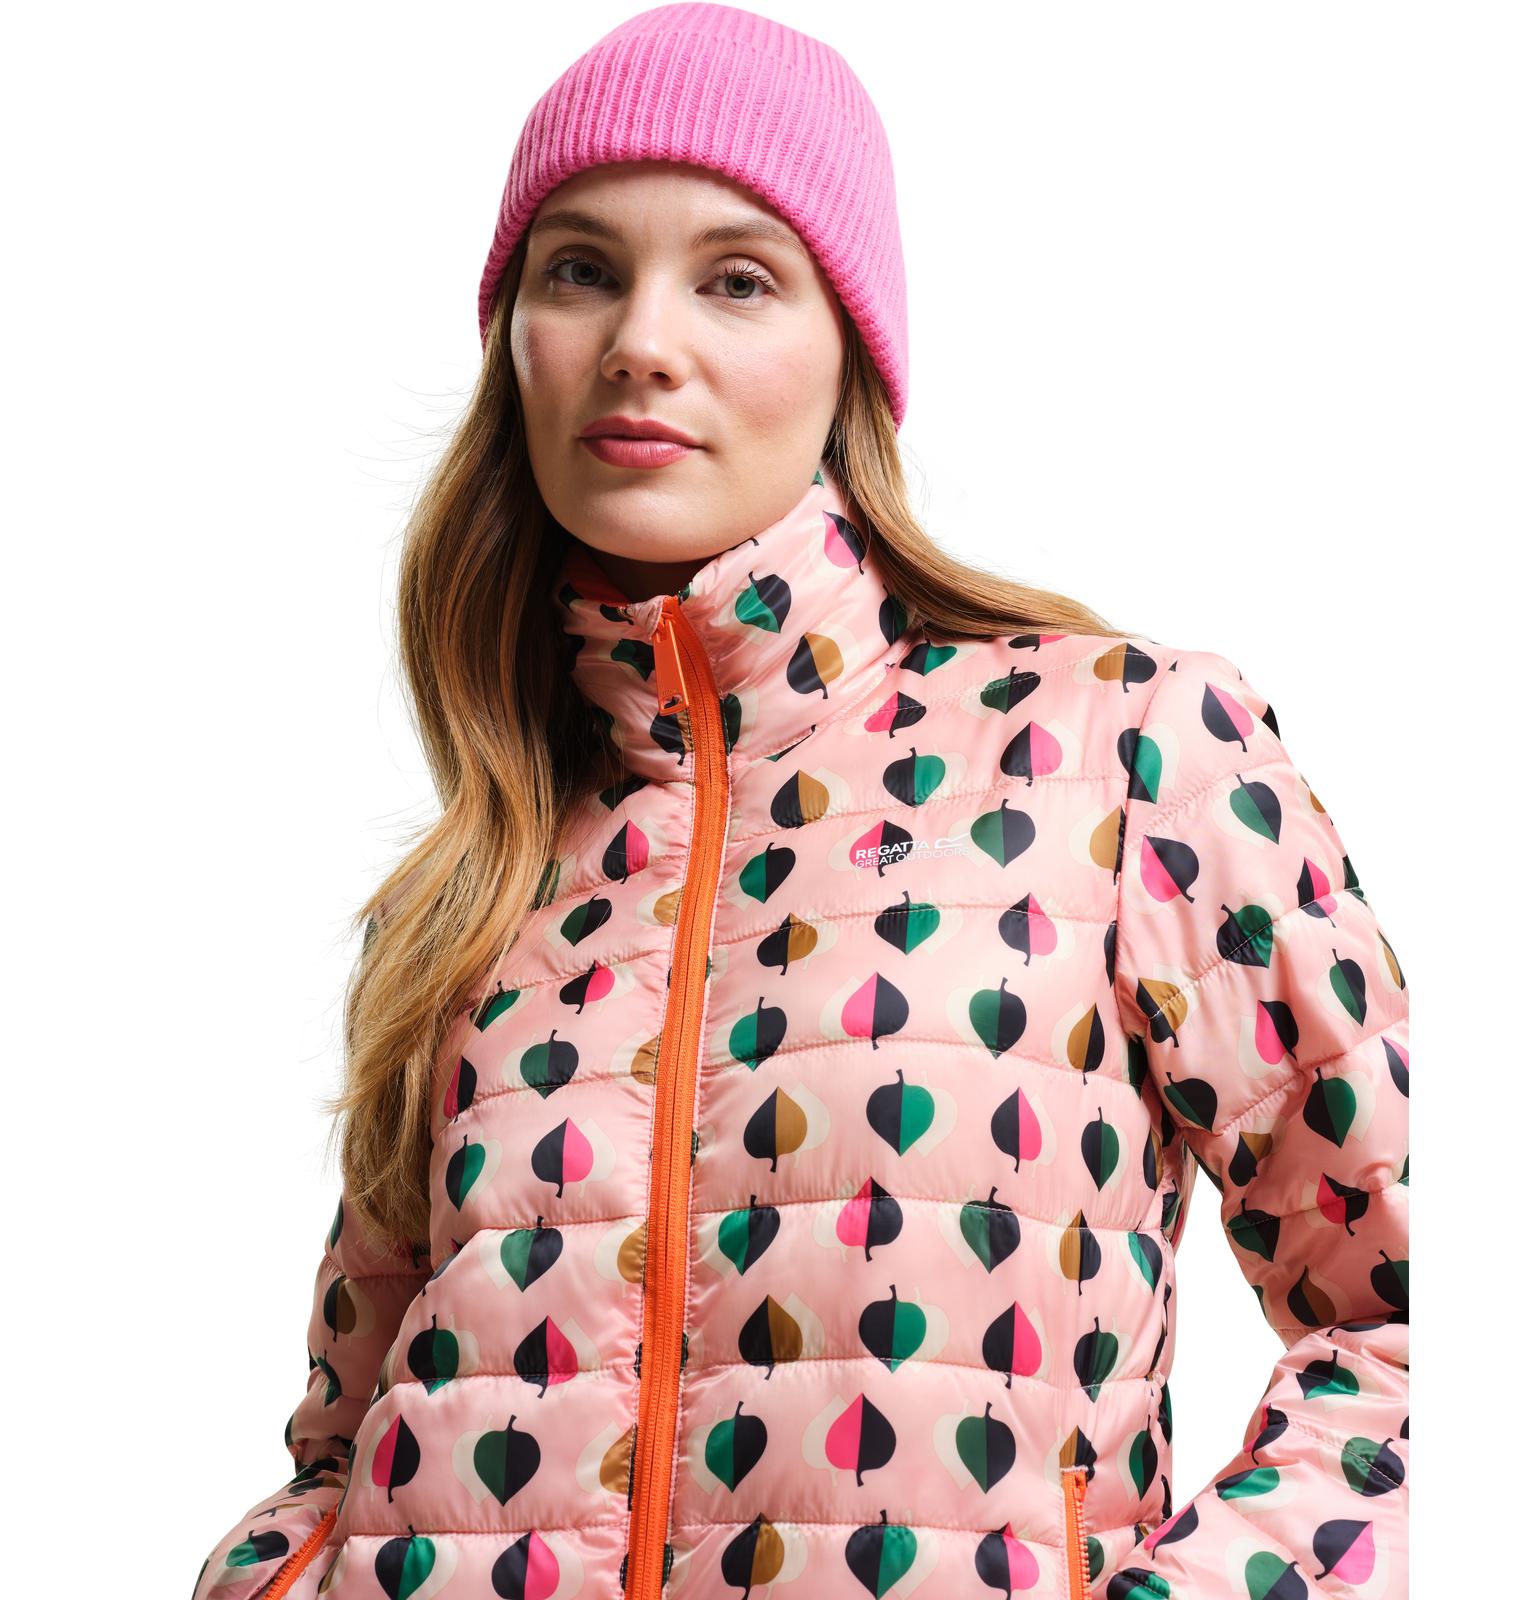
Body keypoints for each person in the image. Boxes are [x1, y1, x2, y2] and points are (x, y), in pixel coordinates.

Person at [192, 6, 1409, 1598]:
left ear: (851, 355)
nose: (641, 338)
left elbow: (1414, 1328)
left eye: (737, 278)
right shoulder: (470, 889)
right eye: (580, 269)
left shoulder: (1121, 751)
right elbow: (344, 1452)